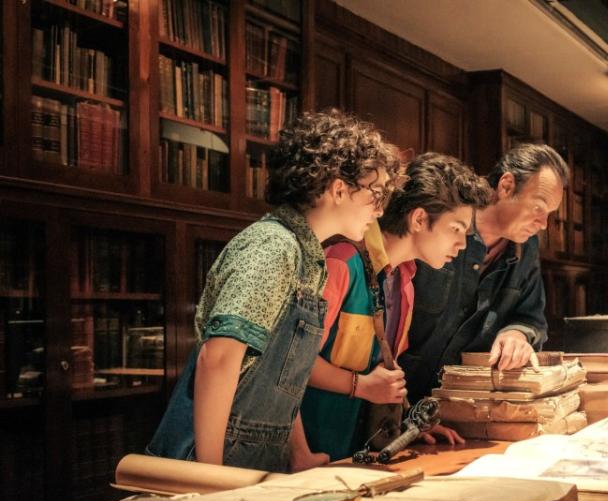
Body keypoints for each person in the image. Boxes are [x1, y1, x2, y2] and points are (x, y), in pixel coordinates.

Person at [146, 109, 400, 472]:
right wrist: (210, 476)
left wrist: (299, 452)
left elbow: (284, 370)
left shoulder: (307, 257)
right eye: (376, 193)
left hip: (256, 459)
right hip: (207, 461)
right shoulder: (273, 246)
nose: (380, 210)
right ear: (338, 189)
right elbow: (217, 359)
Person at [301, 152, 493, 460]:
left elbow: (380, 370)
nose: (461, 245)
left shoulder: (405, 279)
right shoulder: (342, 261)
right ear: (418, 219)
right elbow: (290, 364)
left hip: (355, 454)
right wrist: (360, 386)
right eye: (456, 229)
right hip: (312, 455)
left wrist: (410, 427)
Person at [399, 144, 568, 403]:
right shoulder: (443, 223)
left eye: (550, 215)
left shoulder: (527, 248)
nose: (544, 224)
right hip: (391, 397)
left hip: (459, 405)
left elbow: (532, 317)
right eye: (538, 207)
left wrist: (517, 334)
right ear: (507, 186)